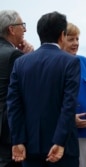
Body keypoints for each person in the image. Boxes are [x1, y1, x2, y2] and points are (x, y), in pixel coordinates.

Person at [7, 11, 80, 167]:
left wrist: (18, 140)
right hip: (62, 149)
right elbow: (69, 105)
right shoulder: (70, 62)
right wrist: (59, 141)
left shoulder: (21, 63)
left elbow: (13, 105)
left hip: (29, 146)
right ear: (62, 35)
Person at [62, 22, 86, 167]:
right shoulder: (55, 63)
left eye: (77, 39)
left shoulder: (83, 61)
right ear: (61, 39)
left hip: (84, 129)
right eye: (71, 39)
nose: (75, 43)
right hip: (61, 131)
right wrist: (70, 119)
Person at [0, 10, 33, 167]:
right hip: (8, 130)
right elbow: (26, 92)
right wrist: (27, 58)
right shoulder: (15, 56)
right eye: (22, 25)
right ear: (11, 29)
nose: (25, 30)